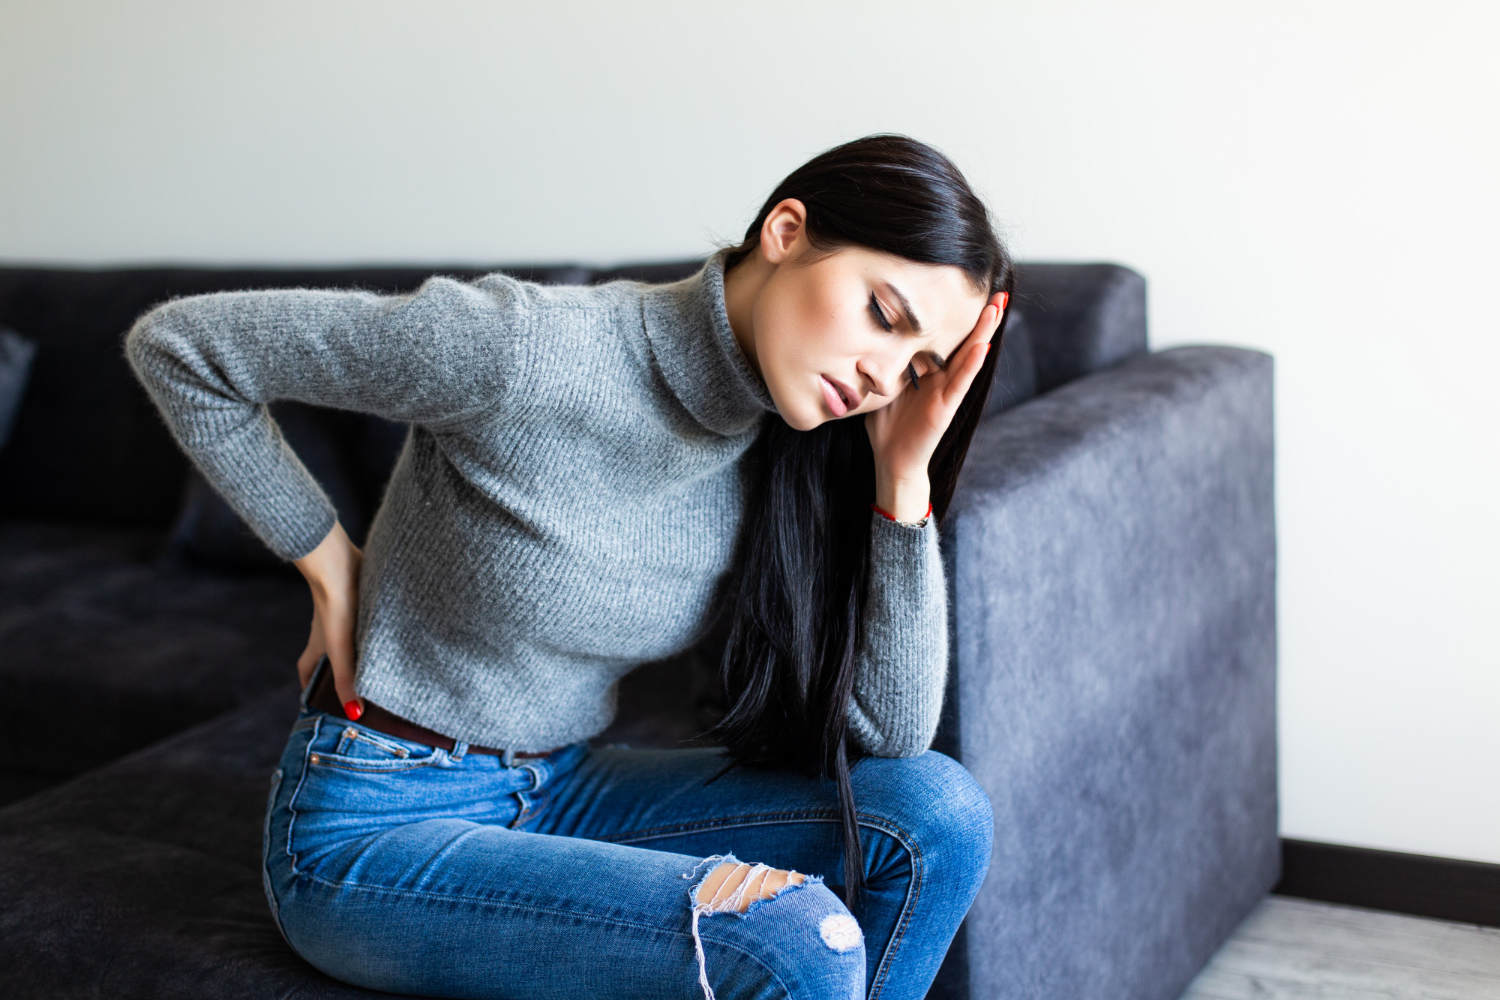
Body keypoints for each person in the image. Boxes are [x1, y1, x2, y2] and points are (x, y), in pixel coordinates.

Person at [127, 134, 1014, 1000]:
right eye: (884, 316)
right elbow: (184, 348)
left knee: (936, 815)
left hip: (561, 786)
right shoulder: (522, 345)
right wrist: (329, 562)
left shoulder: (790, 443)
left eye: (918, 367)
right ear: (786, 232)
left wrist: (903, 479)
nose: (882, 376)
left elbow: (891, 735)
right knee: (792, 942)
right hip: (375, 820)